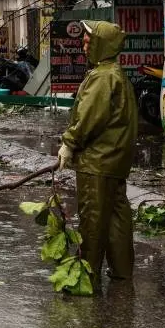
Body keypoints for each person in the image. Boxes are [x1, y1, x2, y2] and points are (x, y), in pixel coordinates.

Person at [57, 20, 138, 283]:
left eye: (89, 41)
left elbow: (89, 118)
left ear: (102, 44)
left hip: (97, 162)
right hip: (115, 161)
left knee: (92, 221)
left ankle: (85, 278)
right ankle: (122, 271)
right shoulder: (117, 74)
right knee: (117, 217)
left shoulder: (102, 77)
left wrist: (69, 143)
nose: (84, 44)